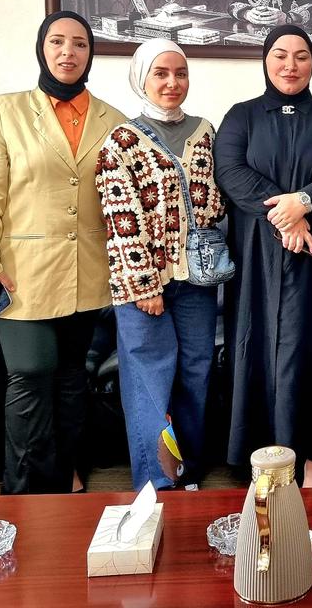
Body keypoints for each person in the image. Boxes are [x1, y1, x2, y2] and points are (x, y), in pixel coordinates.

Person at [0, 11, 126, 494]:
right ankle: (23, 492)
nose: (67, 52)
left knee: (72, 377)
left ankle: (66, 477)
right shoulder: (5, 110)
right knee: (30, 373)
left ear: (91, 53)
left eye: (79, 44)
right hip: (22, 274)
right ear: (42, 48)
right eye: (57, 42)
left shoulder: (114, 120)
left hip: (87, 273)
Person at [214, 24, 312, 488]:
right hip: (260, 258)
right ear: (265, 60)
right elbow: (230, 172)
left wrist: (305, 200)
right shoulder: (240, 117)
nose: (290, 65)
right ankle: (266, 459)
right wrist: (288, 217)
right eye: (280, 54)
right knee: (261, 346)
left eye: (301, 56)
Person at [96, 39, 226, 491]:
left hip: (198, 280)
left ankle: (189, 471)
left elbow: (215, 202)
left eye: (180, 73)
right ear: (142, 79)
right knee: (150, 380)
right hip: (143, 284)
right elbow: (120, 219)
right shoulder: (121, 141)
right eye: (161, 73)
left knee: (195, 372)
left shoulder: (205, 132)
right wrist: (144, 285)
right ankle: (158, 483)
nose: (172, 83)